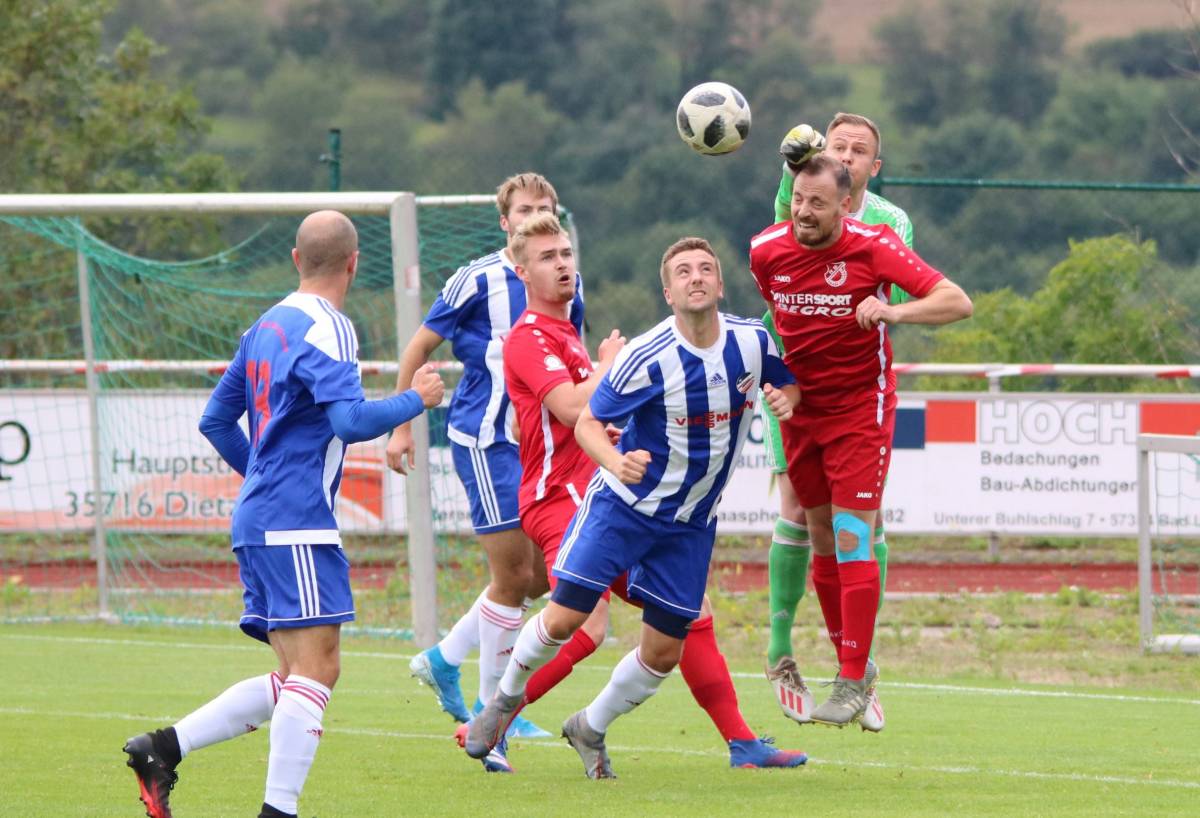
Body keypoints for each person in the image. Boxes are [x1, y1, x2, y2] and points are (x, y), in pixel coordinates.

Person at [122, 210, 444, 818]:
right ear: (354, 264)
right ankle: (278, 812)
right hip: (294, 519)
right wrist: (415, 400)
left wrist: (263, 479)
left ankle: (163, 747)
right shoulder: (331, 326)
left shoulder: (265, 325)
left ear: (297, 259)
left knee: (296, 675)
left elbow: (216, 421)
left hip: (262, 516)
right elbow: (348, 423)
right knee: (318, 670)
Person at [480, 214, 806, 771]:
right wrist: (614, 456)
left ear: (721, 284)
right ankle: (498, 707)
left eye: (706, 268)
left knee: (669, 643)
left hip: (688, 522)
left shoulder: (750, 342)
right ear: (667, 290)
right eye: (683, 271)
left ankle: (596, 726)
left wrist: (787, 401)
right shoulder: (622, 352)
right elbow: (579, 417)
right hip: (601, 503)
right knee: (571, 620)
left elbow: (788, 381)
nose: (696, 277)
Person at [749, 155, 972, 726]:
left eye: (817, 203)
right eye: (799, 199)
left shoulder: (874, 245)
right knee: (820, 536)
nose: (804, 211)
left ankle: (851, 677)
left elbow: (956, 301)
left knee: (852, 534)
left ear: (845, 206)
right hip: (802, 413)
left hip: (859, 410)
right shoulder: (765, 250)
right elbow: (780, 331)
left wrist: (895, 311)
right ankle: (857, 664)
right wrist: (789, 390)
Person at [387, 173, 581, 756]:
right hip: (486, 439)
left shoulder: (568, 277)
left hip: (539, 445)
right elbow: (418, 347)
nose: (534, 218)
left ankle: (445, 657)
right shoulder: (477, 278)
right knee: (515, 577)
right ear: (505, 221)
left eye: (544, 210)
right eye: (524, 211)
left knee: (549, 576)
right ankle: (494, 709)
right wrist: (401, 425)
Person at [763, 112, 915, 732]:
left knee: (860, 523)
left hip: (856, 392)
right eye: (838, 146)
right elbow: (781, 231)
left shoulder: (890, 222)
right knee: (799, 512)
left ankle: (856, 665)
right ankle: (779, 650)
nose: (847, 155)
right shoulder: (800, 193)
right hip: (796, 390)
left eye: (861, 151)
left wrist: (871, 302)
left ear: (874, 168)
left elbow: (898, 299)